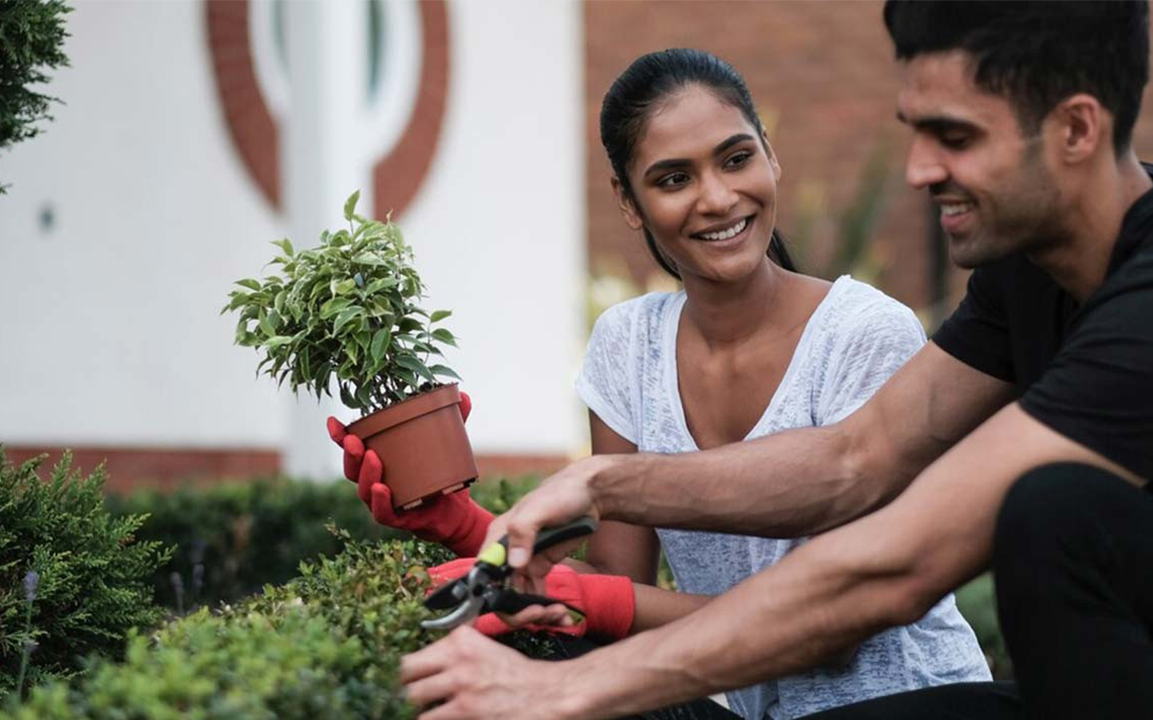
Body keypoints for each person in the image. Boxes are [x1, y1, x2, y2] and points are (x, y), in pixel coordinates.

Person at [396, 1, 1153, 719]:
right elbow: (853, 460)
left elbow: (895, 565)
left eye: (954, 138)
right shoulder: (1023, 278)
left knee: (1048, 512)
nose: (918, 170)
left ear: (1077, 130)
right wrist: (585, 488)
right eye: (916, 132)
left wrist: (566, 691)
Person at [331, 46, 989, 719]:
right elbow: (616, 589)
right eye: (674, 179)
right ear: (629, 201)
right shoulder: (629, 346)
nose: (717, 197)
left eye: (737, 158)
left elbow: (839, 627)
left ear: (771, 155)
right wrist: (466, 526)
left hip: (910, 701)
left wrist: (598, 602)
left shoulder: (862, 335)